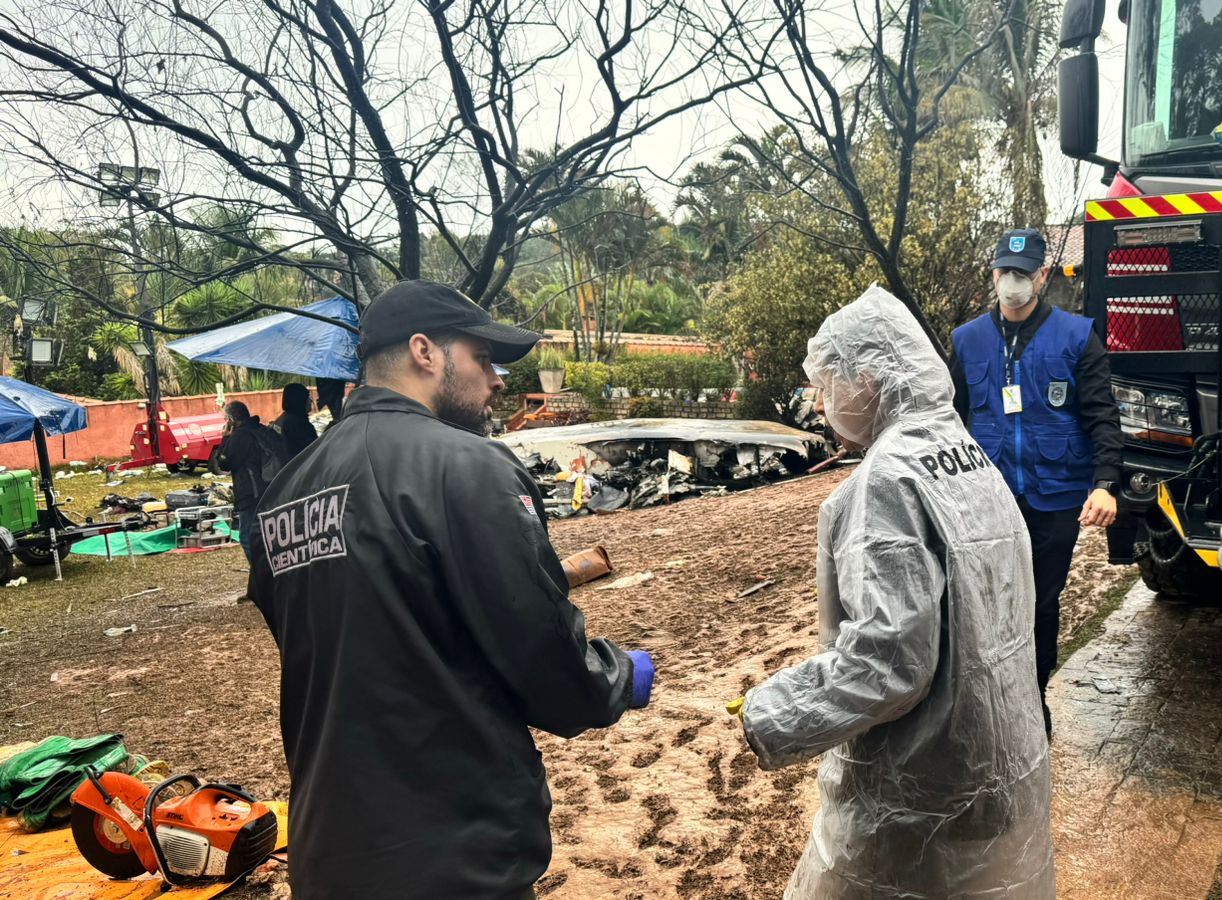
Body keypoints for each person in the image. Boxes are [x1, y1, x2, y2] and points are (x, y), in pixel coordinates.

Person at [246, 280, 655, 900]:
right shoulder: (469, 467)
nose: (496, 380)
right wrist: (617, 675)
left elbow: (330, 642)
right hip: (450, 853)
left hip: (331, 851)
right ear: (425, 352)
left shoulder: (287, 492)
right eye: (483, 358)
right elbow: (544, 660)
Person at [734, 285, 1054, 899]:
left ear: (872, 377)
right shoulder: (966, 456)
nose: (824, 401)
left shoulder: (886, 482)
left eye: (830, 382)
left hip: (924, 781)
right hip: (999, 756)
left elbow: (889, 662)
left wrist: (775, 714)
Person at [949, 227, 1123, 735]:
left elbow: (1101, 416)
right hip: (989, 501)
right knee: (985, 604)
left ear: (1042, 276)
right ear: (994, 274)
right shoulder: (967, 340)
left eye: (1023, 274)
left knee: (1041, 602)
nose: (1012, 283)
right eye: (1004, 272)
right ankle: (987, 703)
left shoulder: (1075, 336)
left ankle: (1032, 700)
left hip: (1054, 501)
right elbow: (949, 421)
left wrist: (1104, 483)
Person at [213, 400, 285, 559]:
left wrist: (225, 438)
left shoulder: (240, 436)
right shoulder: (262, 429)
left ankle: (261, 576)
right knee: (269, 535)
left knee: (246, 537)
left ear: (231, 420)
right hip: (272, 488)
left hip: (251, 493)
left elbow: (224, 463)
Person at [271, 383, 317, 460]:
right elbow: (314, 448)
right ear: (299, 400)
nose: (311, 400)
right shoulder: (296, 423)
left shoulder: (287, 418)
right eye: (307, 397)